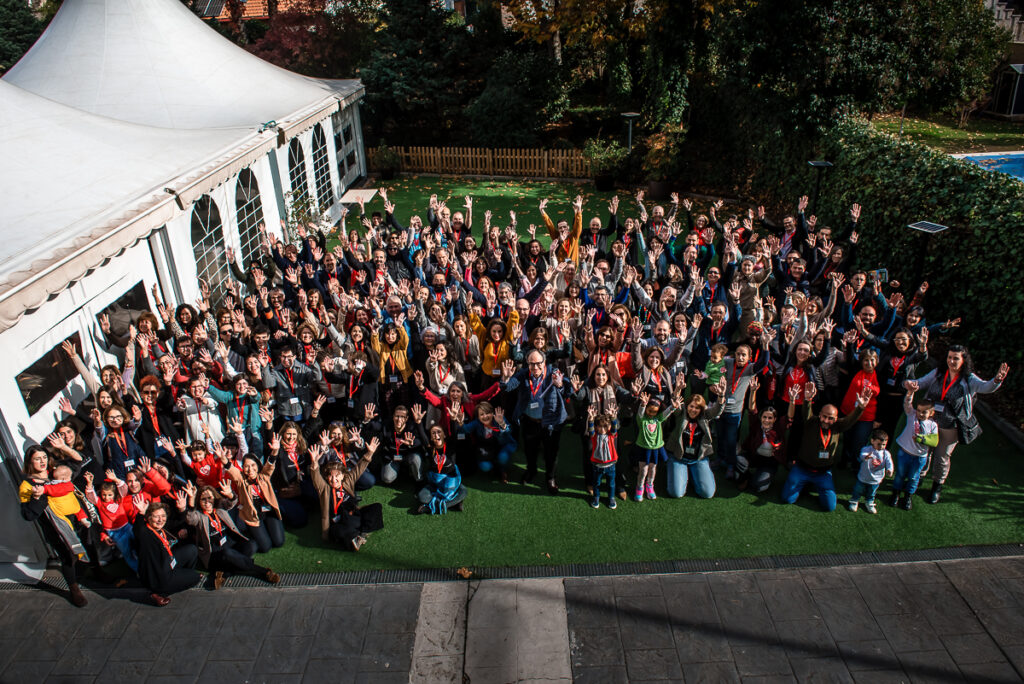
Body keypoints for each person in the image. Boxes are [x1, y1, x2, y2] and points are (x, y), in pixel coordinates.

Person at [907, 347, 1009, 503]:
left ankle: (937, 485)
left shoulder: (969, 379)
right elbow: (921, 382)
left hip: (951, 426)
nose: (951, 361)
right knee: (925, 451)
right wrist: (910, 383)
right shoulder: (939, 372)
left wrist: (997, 380)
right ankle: (919, 476)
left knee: (942, 456)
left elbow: (985, 387)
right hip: (930, 423)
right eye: (949, 357)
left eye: (956, 358)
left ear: (963, 361)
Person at [780, 383, 872, 512]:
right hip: (802, 468)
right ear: (819, 415)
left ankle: (811, 485)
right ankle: (804, 483)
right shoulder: (811, 422)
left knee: (829, 506)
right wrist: (807, 400)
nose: (826, 421)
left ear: (836, 418)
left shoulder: (838, 426)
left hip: (823, 473)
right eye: (824, 416)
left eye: (831, 418)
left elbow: (849, 421)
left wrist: (860, 408)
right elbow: (806, 412)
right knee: (787, 499)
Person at [309, 438, 385, 549]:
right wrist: (314, 462)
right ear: (326, 477)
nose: (333, 479)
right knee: (338, 531)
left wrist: (370, 453)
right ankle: (354, 538)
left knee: (376, 507)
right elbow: (315, 476)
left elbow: (359, 468)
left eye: (337, 475)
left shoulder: (347, 481)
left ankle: (362, 534)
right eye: (330, 475)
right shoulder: (324, 488)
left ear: (343, 476)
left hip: (353, 516)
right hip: (338, 522)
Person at [665, 378, 727, 499]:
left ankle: (694, 476)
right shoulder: (681, 413)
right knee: (676, 493)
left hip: (698, 458)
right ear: (687, 405)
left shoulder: (705, 415)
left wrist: (721, 395)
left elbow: (717, 409)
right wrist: (677, 389)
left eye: (697, 408)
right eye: (691, 406)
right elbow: (675, 403)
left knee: (707, 493)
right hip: (679, 457)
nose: (693, 410)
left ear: (702, 409)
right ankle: (678, 472)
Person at [133, 498, 201, 606]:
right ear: (148, 518)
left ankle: (183, 576)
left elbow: (180, 521)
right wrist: (141, 513)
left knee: (191, 550)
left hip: (168, 562)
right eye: (156, 516)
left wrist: (183, 509)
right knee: (195, 577)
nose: (160, 520)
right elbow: (138, 530)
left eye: (163, 516)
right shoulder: (145, 534)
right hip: (158, 575)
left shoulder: (162, 527)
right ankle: (157, 593)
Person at [632, 392, 677, 502]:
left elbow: (666, 413)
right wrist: (642, 405)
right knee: (643, 470)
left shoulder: (658, 419)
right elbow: (640, 414)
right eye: (650, 410)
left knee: (653, 469)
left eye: (655, 411)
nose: (652, 413)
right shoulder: (642, 420)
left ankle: (650, 485)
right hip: (643, 448)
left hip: (656, 448)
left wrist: (673, 407)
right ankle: (640, 487)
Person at [848, 429, 894, 514]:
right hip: (864, 477)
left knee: (871, 493)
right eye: (879, 444)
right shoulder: (866, 449)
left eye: (884, 445)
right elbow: (862, 456)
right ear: (872, 441)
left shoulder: (886, 453)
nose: (881, 447)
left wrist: (889, 470)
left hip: (876, 479)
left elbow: (889, 462)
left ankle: (869, 502)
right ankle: (854, 501)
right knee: (858, 490)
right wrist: (866, 457)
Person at [585, 404, 620, 509]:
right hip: (597, 465)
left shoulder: (611, 434)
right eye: (600, 426)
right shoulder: (594, 436)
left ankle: (611, 497)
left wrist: (613, 417)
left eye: (605, 426)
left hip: (611, 465)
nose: (603, 429)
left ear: (608, 426)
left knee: (611, 484)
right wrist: (591, 418)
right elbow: (590, 430)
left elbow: (615, 428)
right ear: (596, 427)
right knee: (596, 483)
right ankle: (596, 497)